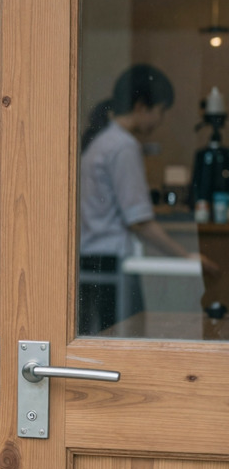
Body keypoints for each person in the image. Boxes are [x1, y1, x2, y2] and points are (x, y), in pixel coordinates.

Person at [79, 64, 217, 334]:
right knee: (121, 341)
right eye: (161, 111)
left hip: (91, 259)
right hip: (111, 263)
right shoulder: (123, 145)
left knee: (98, 340)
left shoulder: (100, 141)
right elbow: (139, 221)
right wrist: (186, 256)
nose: (160, 120)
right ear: (142, 106)